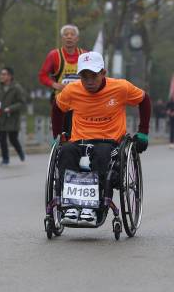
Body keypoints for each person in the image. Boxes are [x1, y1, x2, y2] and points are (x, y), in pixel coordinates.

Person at [54, 52, 151, 225]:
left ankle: (92, 207)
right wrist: (58, 134)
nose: (89, 81)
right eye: (84, 77)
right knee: (66, 151)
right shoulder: (72, 90)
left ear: (103, 73)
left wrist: (143, 132)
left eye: (94, 76)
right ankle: (70, 205)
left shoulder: (120, 87)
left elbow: (144, 100)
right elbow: (57, 107)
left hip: (109, 141)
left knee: (102, 154)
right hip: (79, 140)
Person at [38, 24, 87, 141]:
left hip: (81, 100)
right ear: (62, 38)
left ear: (77, 38)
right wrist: (54, 84)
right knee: (62, 131)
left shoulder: (85, 55)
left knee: (80, 130)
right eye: (66, 35)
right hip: (61, 99)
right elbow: (42, 76)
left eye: (72, 34)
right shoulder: (54, 55)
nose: (69, 37)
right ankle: (59, 147)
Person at [0, 67, 26, 166]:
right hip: (0, 117)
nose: (1, 76)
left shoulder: (17, 88)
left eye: (4, 74)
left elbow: (22, 103)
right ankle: (5, 159)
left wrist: (10, 108)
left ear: (10, 76)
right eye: (1, 74)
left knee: (13, 139)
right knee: (2, 138)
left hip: (12, 118)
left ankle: (20, 152)